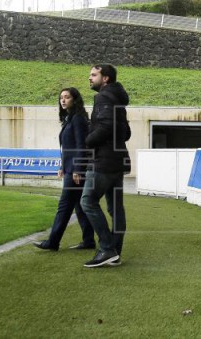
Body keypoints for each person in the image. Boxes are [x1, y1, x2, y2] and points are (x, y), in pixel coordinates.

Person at [81, 64, 131, 268]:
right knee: (116, 209)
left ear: (106, 78)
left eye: (94, 75)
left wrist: (88, 140)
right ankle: (114, 252)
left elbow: (105, 127)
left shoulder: (102, 98)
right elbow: (126, 133)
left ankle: (107, 248)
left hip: (103, 161)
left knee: (87, 201)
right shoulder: (118, 99)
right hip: (118, 161)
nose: (90, 78)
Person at [34, 87, 95, 251]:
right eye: (61, 97)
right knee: (79, 206)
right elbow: (68, 147)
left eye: (67, 97)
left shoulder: (78, 119)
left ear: (74, 99)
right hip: (70, 168)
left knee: (64, 206)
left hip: (76, 170)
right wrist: (62, 166)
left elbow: (82, 146)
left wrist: (77, 169)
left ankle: (53, 242)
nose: (63, 100)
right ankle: (89, 240)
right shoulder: (70, 119)